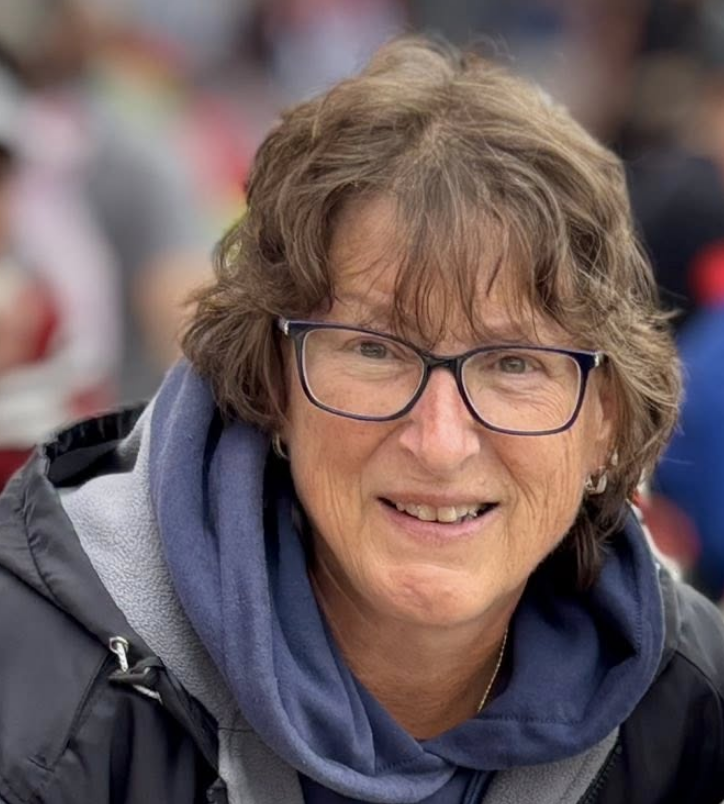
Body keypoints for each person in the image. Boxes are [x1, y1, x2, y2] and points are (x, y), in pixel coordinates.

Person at [0, 37, 722, 804]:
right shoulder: (39, 710)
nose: (441, 443)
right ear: (270, 384)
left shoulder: (695, 722)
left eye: (515, 364)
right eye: (375, 352)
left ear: (605, 418)